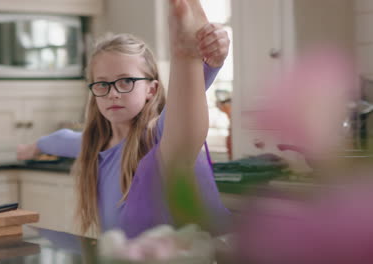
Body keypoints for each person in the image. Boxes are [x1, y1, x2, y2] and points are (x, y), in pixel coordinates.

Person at [18, 0, 231, 238]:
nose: (113, 93)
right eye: (103, 84)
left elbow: (183, 110)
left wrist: (202, 63)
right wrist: (32, 148)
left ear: (151, 89)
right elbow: (61, 139)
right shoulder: (93, 144)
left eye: (126, 81)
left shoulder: (156, 135)